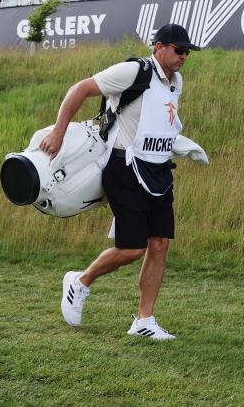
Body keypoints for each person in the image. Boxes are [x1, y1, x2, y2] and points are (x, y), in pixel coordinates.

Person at [43, 24, 201, 340]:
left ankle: (144, 321)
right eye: (178, 49)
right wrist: (58, 132)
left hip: (159, 170)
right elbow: (80, 89)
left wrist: (179, 143)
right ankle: (80, 281)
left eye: (187, 52)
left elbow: (158, 121)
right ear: (159, 47)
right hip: (124, 168)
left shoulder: (176, 81)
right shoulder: (133, 71)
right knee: (131, 249)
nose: (184, 56)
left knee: (160, 244)